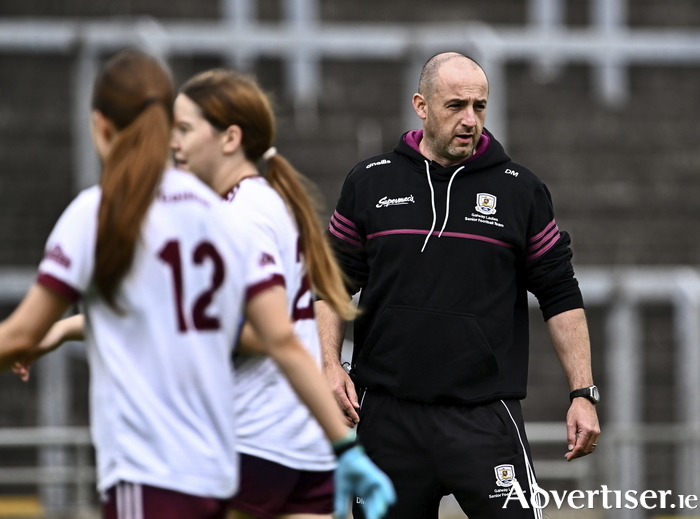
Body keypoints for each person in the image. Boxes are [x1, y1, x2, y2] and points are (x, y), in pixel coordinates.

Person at [1, 51, 393, 519]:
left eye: (186, 130)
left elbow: (257, 337)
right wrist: (343, 445)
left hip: (225, 446)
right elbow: (258, 332)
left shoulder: (133, 211)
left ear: (100, 125)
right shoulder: (217, 209)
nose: (177, 143)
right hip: (269, 449)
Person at [315, 51, 601, 519]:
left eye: (480, 106)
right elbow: (331, 284)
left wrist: (583, 394)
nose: (470, 119)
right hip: (387, 419)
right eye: (455, 106)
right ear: (421, 105)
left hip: (484, 418)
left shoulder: (521, 191)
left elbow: (560, 294)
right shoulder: (368, 182)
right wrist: (328, 364)